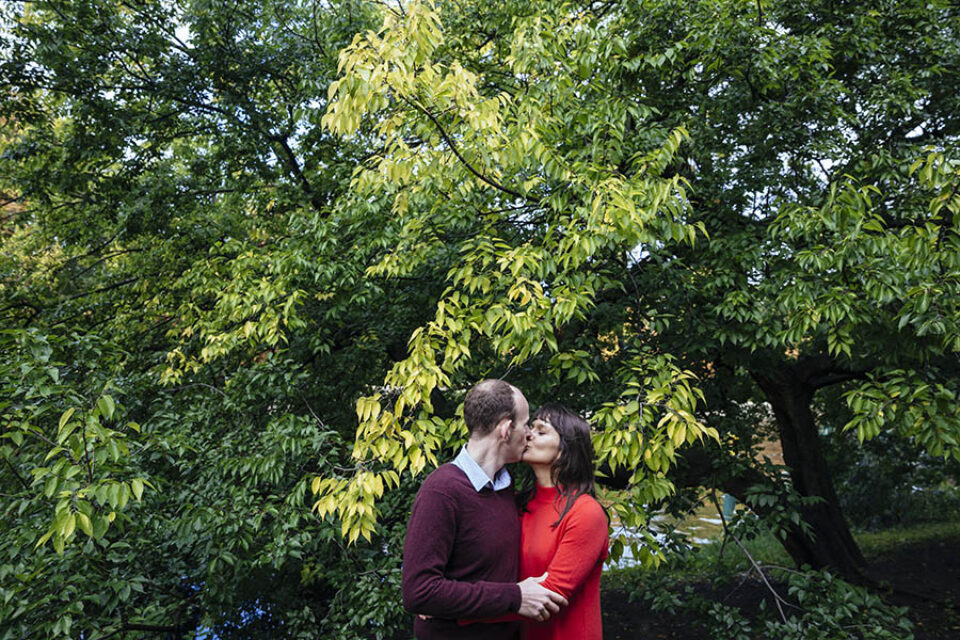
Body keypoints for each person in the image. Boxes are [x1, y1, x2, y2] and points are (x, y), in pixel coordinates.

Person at [401, 380, 569, 640]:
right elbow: (419, 592)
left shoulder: (505, 489)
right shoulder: (442, 491)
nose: (528, 434)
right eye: (525, 424)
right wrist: (515, 596)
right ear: (505, 429)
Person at [516, 403, 609, 640]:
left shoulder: (586, 513)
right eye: (530, 428)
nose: (528, 434)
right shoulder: (516, 504)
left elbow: (548, 598)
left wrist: (457, 608)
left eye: (541, 430)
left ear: (564, 450)